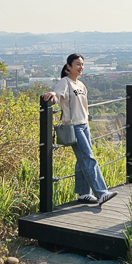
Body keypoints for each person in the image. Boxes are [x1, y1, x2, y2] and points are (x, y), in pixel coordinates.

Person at [42, 53, 118, 206]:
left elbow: (84, 108)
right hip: (73, 126)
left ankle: (84, 194)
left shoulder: (81, 85)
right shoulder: (65, 82)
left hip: (84, 125)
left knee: (82, 160)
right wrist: (51, 95)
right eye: (77, 64)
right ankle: (101, 193)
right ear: (68, 67)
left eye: (82, 64)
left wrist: (87, 123)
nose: (80, 67)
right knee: (88, 158)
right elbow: (57, 95)